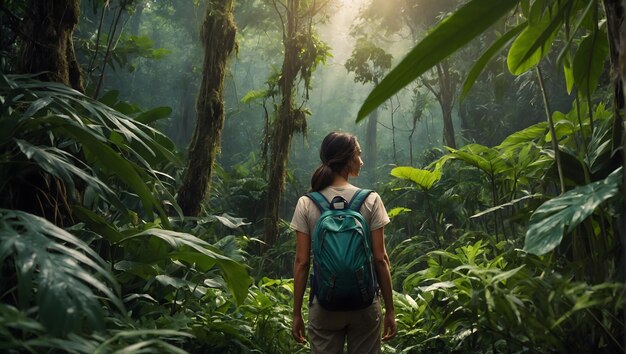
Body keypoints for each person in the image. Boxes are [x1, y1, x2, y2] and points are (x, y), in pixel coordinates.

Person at [290, 131, 396, 353]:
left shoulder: (306, 203)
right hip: (364, 303)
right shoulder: (371, 200)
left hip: (325, 304)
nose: (361, 160)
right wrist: (390, 310)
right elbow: (380, 259)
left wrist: (297, 312)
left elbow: (301, 262)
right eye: (358, 154)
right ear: (347, 159)